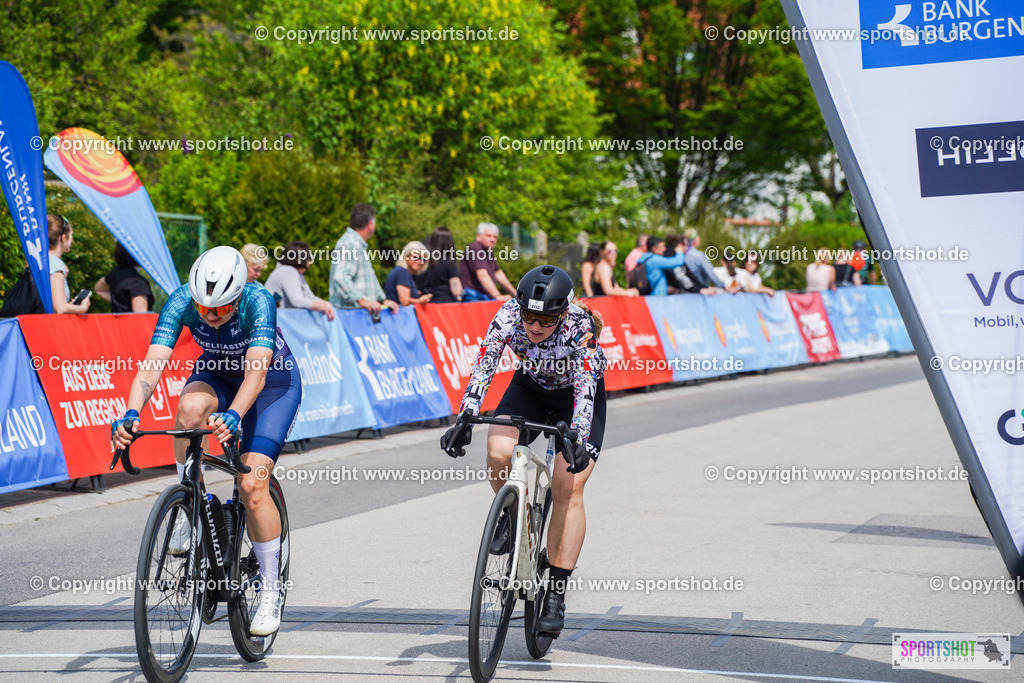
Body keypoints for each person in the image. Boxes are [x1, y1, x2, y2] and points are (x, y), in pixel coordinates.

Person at [110, 246, 301, 637]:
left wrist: (235, 414)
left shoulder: (258, 301)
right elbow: (152, 364)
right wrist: (131, 412)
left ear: (237, 297)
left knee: (251, 484)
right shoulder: (181, 300)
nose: (210, 317)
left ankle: (270, 589)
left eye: (220, 309)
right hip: (216, 373)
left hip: (270, 385)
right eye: (203, 308)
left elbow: (257, 375)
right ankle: (189, 499)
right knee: (189, 411)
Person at [441, 265, 606, 638]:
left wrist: (577, 437)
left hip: (574, 401)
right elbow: (485, 364)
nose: (534, 326)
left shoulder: (580, 327)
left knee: (568, 485)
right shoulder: (507, 315)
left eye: (545, 319)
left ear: (562, 314)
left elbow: (584, 389)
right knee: (499, 450)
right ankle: (512, 516)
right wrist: (466, 415)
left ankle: (556, 594)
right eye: (529, 317)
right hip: (530, 387)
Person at [329, 203, 398, 316]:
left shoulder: (357, 244)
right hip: (350, 317)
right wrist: (362, 300)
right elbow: (340, 277)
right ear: (371, 223)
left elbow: (368, 279)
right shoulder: (350, 243)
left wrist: (383, 300)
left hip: (360, 317)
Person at [265, 240, 335, 320]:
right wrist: (323, 306)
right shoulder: (288, 271)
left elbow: (309, 296)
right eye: (309, 257)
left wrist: (326, 304)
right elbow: (297, 301)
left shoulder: (295, 273)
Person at [458, 222, 517, 302]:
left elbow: (499, 274)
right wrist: (497, 296)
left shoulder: (488, 251)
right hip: (473, 296)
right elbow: (482, 275)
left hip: (482, 296)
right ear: (478, 236)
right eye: (488, 236)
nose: (492, 239)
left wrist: (516, 294)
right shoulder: (475, 248)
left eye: (495, 237)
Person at [48, 214, 91, 314]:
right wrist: (82, 308)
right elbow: (60, 308)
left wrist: (70, 307)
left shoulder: (39, 260)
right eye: (71, 235)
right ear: (63, 238)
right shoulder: (56, 264)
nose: (72, 239)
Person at [94, 243, 154, 312]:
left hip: (117, 322)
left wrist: (119, 302)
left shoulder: (115, 273)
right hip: (131, 322)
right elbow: (141, 318)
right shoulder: (138, 283)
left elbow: (99, 288)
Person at [415, 226, 463, 303]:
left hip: (424, 302)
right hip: (444, 304)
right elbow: (456, 290)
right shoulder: (449, 263)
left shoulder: (420, 261)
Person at [385, 241, 433, 306]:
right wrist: (420, 300)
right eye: (416, 257)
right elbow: (405, 301)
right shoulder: (402, 272)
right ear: (407, 256)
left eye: (423, 259)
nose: (419, 262)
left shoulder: (403, 272)